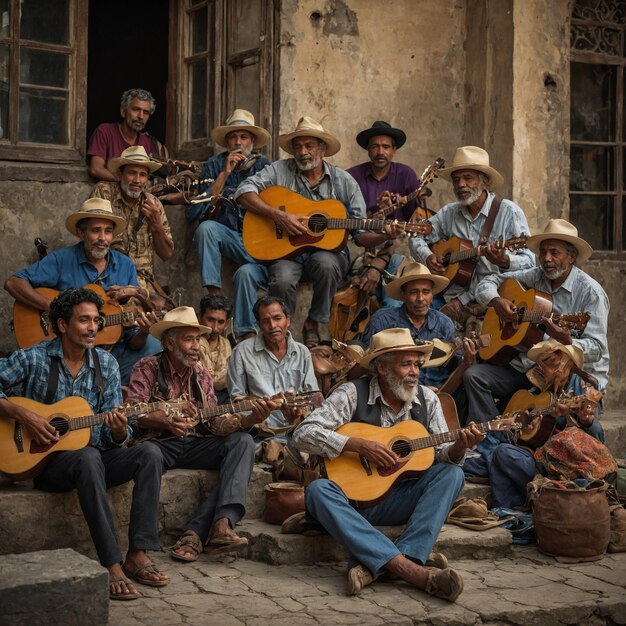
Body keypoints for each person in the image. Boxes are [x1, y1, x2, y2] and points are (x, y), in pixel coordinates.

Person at [291, 328, 484, 600]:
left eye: (417, 364)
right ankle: (411, 567)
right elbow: (302, 434)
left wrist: (460, 446)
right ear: (381, 368)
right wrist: (355, 444)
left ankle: (390, 565)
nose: (415, 372)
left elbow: (440, 455)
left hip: (400, 501)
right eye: (406, 364)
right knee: (318, 491)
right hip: (352, 504)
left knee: (452, 473)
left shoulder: (428, 400)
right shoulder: (351, 394)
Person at [0, 288, 168, 601]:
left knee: (150, 453)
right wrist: (23, 414)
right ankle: (111, 564)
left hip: (95, 459)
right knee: (87, 456)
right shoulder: (34, 357)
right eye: (84, 320)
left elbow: (115, 437)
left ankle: (138, 553)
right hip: (46, 464)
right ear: (63, 325)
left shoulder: (107, 365)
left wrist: (119, 432)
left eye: (96, 321)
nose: (92, 327)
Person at [235, 116, 401, 347]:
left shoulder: (344, 182)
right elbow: (243, 191)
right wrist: (279, 216)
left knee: (326, 262)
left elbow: (361, 235)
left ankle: (314, 322)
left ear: (322, 150)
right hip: (286, 253)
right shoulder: (279, 170)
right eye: (298, 146)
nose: (303, 152)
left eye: (309, 146)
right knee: (281, 278)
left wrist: (384, 234)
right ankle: (284, 333)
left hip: (327, 256)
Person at [126, 307, 274, 562]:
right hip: (160, 445)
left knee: (243, 441)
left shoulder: (201, 373)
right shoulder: (147, 367)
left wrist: (250, 419)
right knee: (148, 453)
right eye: (188, 339)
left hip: (195, 443)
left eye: (197, 339)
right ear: (169, 343)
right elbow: (132, 413)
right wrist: (166, 422)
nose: (196, 346)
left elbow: (215, 422)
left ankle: (220, 525)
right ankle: (154, 546)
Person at [465, 218, 610, 424]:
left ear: (571, 256)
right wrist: (497, 301)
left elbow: (597, 349)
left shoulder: (591, 293)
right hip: (526, 367)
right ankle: (491, 440)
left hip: (570, 378)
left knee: (583, 427)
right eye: (543, 252)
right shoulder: (535, 276)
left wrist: (566, 342)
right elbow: (489, 281)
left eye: (554, 252)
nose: (546, 258)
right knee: (474, 376)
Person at [4, 199, 161, 384]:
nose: (102, 238)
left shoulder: (125, 265)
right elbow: (13, 283)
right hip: (68, 349)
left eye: (108, 231)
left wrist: (142, 329)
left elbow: (132, 338)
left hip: (109, 350)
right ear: (81, 232)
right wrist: (54, 308)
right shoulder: (62, 259)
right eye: (95, 230)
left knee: (153, 345)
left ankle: (113, 393)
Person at [410, 146, 534, 327]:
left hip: (493, 301)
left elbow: (530, 261)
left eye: (468, 178)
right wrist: (428, 257)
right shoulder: (450, 213)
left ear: (485, 183)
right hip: (449, 298)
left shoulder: (508, 212)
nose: (461, 185)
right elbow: (416, 234)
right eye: (456, 179)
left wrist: (505, 260)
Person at [486, 339, 605, 508]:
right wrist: (527, 431)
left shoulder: (585, 387)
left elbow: (595, 440)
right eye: (540, 363)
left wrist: (583, 420)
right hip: (542, 461)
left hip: (574, 464)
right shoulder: (537, 390)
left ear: (567, 365)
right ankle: (518, 505)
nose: (541, 368)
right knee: (501, 452)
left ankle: (548, 494)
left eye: (549, 362)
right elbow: (520, 435)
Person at [186, 110, 271, 339]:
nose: (238, 142)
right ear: (227, 141)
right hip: (231, 238)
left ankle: (246, 335)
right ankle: (216, 299)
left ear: (252, 141)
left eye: (244, 137)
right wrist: (225, 173)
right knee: (206, 229)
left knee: (246, 273)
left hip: (260, 247)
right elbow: (193, 211)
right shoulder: (214, 164)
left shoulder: (265, 166)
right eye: (233, 137)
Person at [347, 121, 421, 307]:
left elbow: (416, 220)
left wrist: (380, 261)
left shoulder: (406, 174)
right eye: (375, 146)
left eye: (386, 146)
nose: (380, 152)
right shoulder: (350, 177)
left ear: (393, 150)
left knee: (396, 276)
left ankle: (391, 323)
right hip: (361, 243)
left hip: (397, 246)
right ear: (368, 150)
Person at [227, 296, 319, 433]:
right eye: (265, 321)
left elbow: (313, 397)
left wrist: (296, 416)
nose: (272, 326)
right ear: (259, 325)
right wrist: (264, 405)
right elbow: (237, 398)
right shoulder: (241, 352)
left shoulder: (302, 352)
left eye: (277, 318)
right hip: (257, 429)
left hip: (296, 429)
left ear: (287, 320)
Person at [90, 146, 174, 292]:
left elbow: (166, 254)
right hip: (107, 276)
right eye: (132, 173)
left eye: (142, 175)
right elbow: (91, 239)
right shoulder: (103, 192)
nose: (137, 180)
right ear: (120, 174)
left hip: (142, 283)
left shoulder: (154, 205)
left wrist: (156, 224)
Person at [362, 262, 457, 389]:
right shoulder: (383, 321)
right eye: (413, 292)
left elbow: (452, 367)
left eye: (426, 292)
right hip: (393, 391)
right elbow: (368, 365)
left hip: (435, 394)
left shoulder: (444, 324)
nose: (420, 298)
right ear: (403, 295)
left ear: (432, 295)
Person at [87, 88, 168, 182]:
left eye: (146, 112)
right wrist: (125, 181)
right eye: (136, 109)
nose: (140, 116)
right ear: (123, 111)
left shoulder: (147, 142)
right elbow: (95, 169)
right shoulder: (105, 131)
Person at [197, 293, 233, 403]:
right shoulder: (193, 343)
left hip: (223, 399)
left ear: (227, 323)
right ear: (199, 318)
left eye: (221, 322)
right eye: (210, 320)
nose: (215, 328)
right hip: (197, 398)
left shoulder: (227, 345)